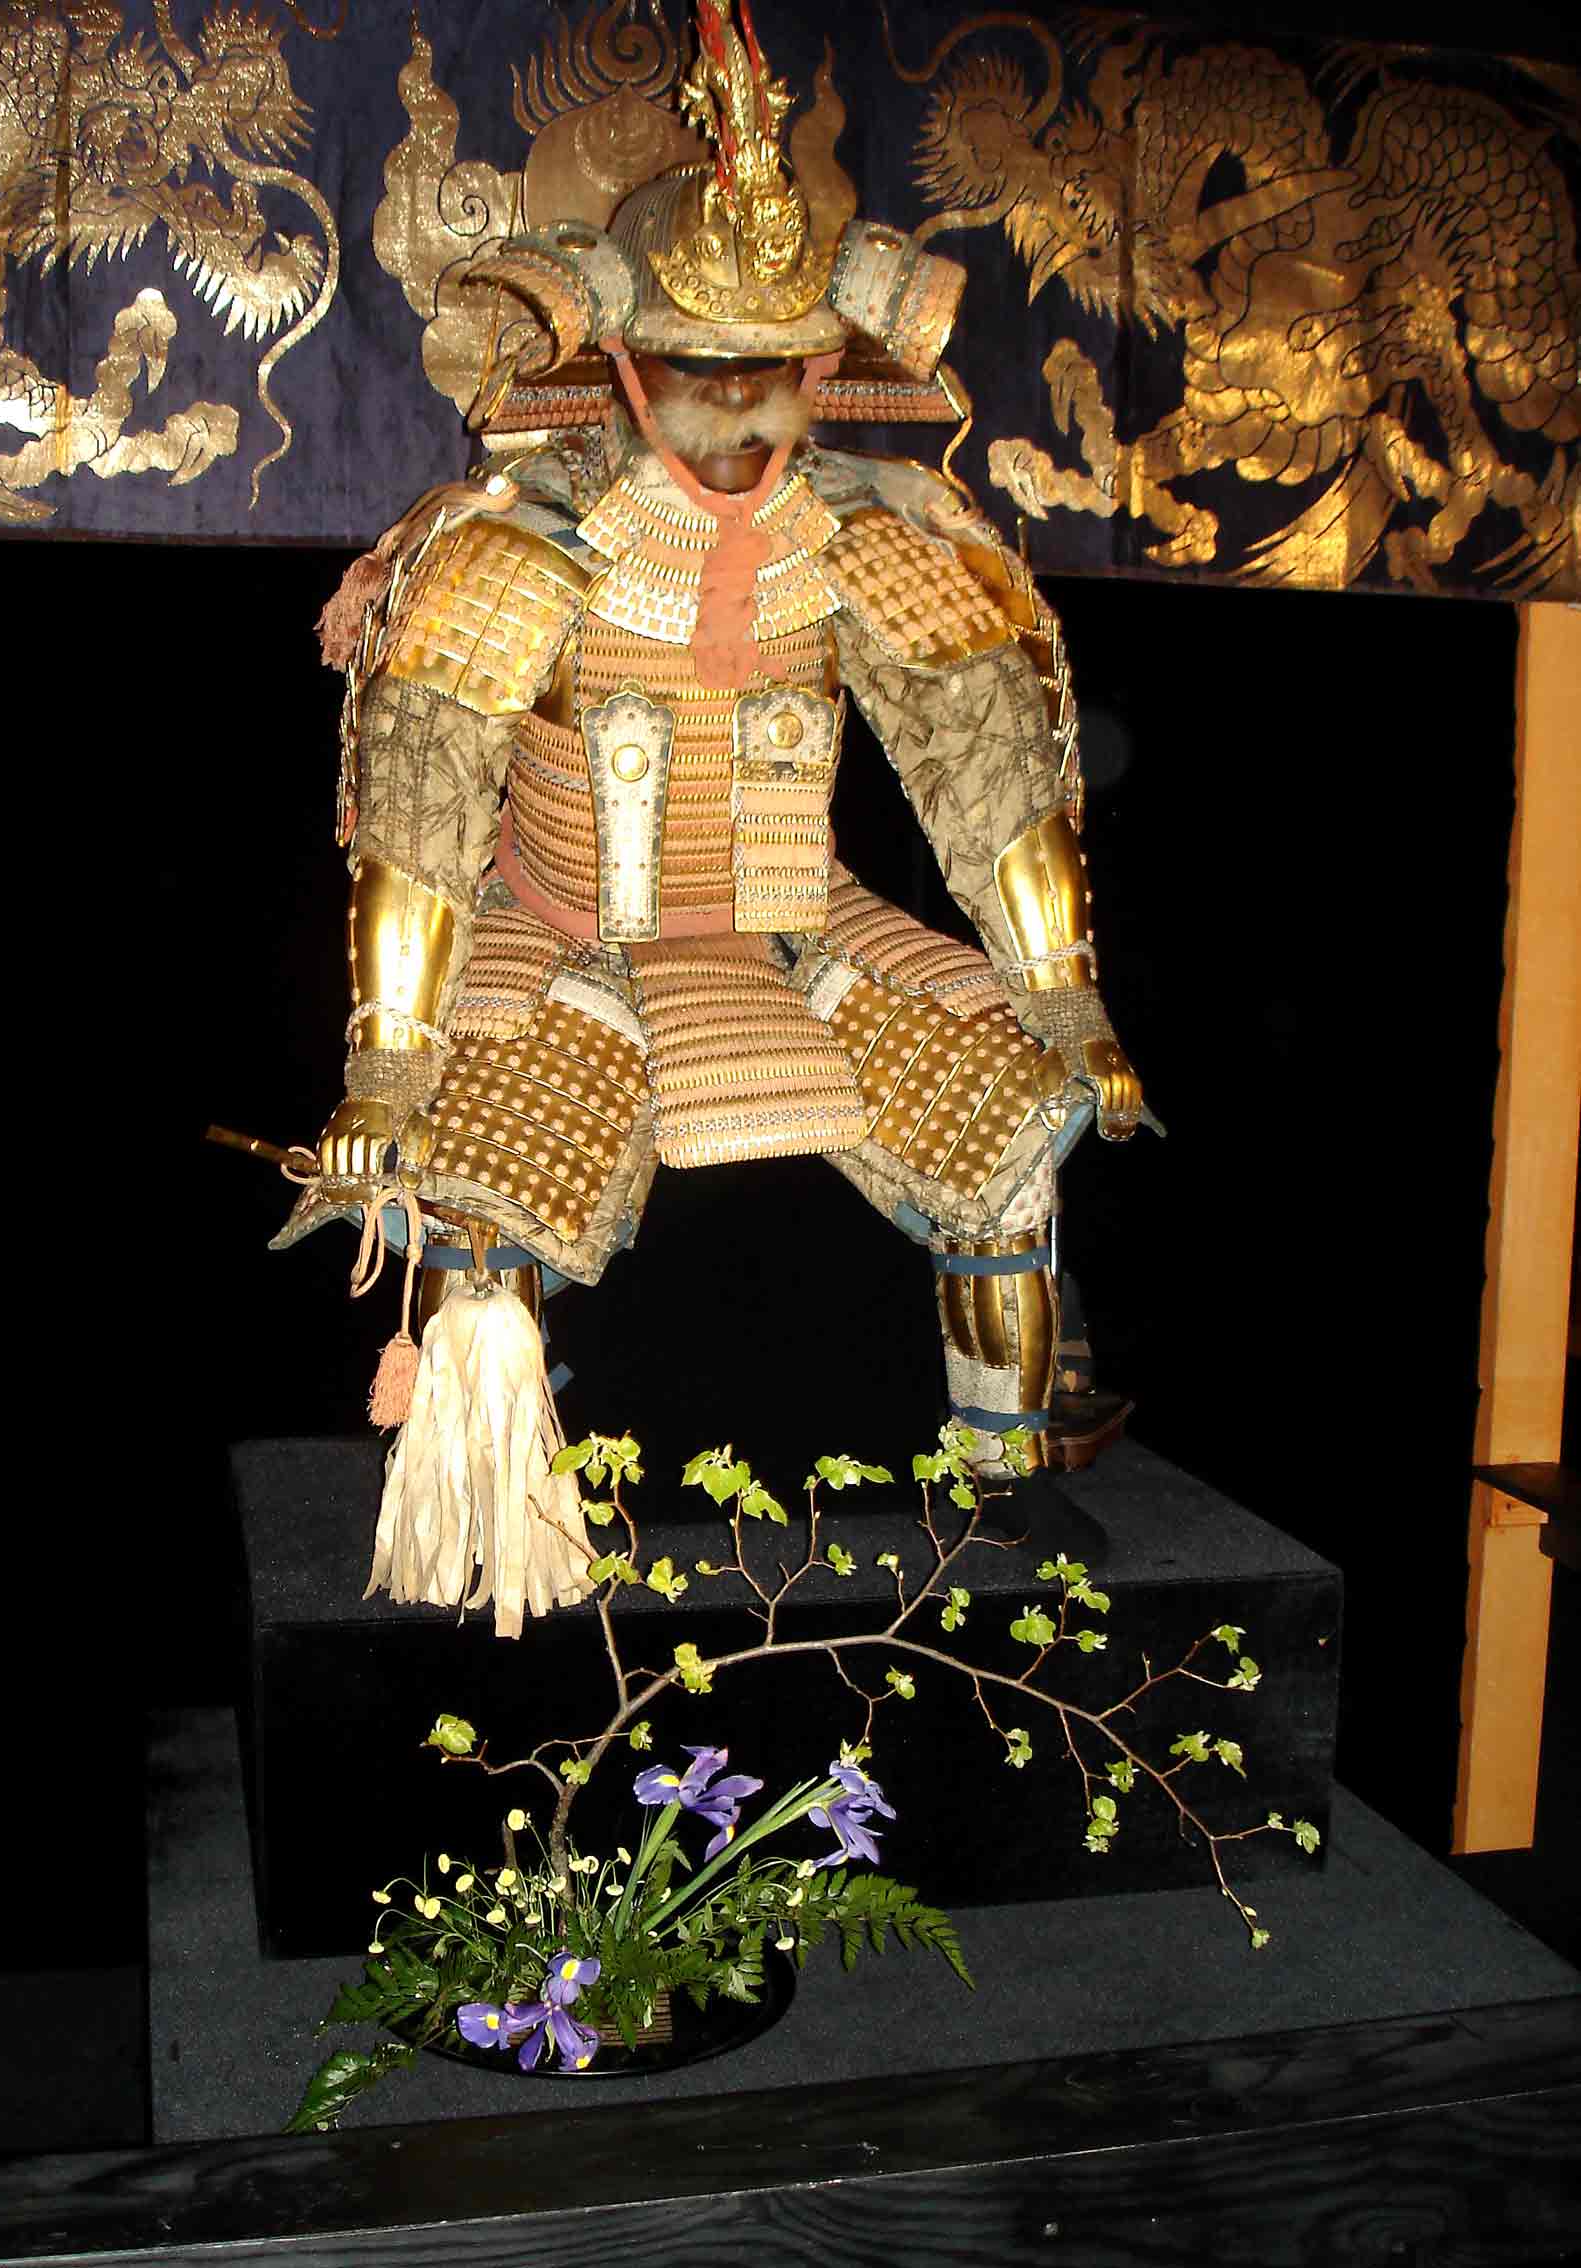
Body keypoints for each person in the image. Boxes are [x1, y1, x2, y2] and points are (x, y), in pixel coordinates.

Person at [279, 0, 1141, 1623]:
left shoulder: (871, 533)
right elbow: (421, 818)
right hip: (562, 934)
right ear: (618, 358)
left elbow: (988, 775)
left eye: (772, 371)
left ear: (823, 362)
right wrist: (387, 1062)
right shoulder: (509, 551)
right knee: (480, 1198)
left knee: (1015, 1124)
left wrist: (1063, 1000)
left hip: (795, 926)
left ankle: (1003, 1476)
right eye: (700, 367)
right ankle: (487, 1523)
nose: (741, 410)